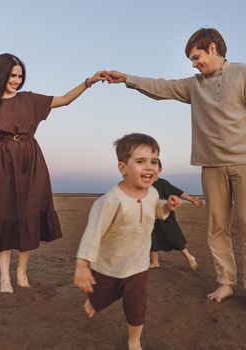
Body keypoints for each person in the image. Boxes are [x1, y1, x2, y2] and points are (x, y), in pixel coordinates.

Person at [104, 28, 246, 312]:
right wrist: (127, 79)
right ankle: (226, 282)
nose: (194, 64)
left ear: (213, 47)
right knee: (217, 227)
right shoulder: (194, 85)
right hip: (211, 166)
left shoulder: (244, 73)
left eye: (196, 57)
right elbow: (161, 87)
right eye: (192, 60)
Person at [0, 53, 105, 293]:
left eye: (20, 76)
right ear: (0, 75)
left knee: (28, 213)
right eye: (12, 75)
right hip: (4, 162)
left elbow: (65, 100)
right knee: (2, 214)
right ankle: (4, 277)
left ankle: (22, 271)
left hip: (33, 161)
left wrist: (88, 82)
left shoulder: (29, 100)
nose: (17, 80)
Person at [74, 133, 182, 350]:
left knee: (136, 307)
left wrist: (167, 207)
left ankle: (134, 341)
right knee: (100, 298)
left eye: (154, 161)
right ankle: (93, 300)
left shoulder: (152, 193)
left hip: (138, 266)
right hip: (108, 266)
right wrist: (82, 266)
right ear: (123, 168)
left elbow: (157, 212)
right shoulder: (110, 201)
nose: (149, 167)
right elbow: (92, 234)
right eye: (140, 161)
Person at [149, 160, 203, 270]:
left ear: (159, 170)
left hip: (166, 217)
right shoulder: (145, 184)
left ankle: (190, 258)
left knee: (174, 238)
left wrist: (191, 199)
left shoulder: (162, 183)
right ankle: (155, 262)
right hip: (151, 218)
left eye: (154, 166)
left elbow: (177, 192)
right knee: (152, 240)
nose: (150, 168)